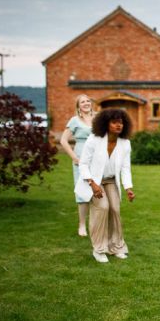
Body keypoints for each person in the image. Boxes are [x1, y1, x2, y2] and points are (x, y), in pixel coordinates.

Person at [74, 108, 135, 263]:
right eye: (114, 122)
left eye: (120, 122)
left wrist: (128, 188)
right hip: (93, 181)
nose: (118, 125)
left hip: (111, 181)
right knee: (102, 208)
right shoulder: (94, 139)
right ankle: (99, 250)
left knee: (115, 209)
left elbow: (125, 168)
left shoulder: (125, 143)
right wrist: (92, 183)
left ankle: (116, 247)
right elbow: (83, 164)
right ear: (105, 124)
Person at [60, 94, 95, 237]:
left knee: (97, 189)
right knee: (82, 191)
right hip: (81, 158)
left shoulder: (98, 118)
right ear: (78, 106)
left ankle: (95, 223)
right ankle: (81, 225)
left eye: (88, 100)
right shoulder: (74, 121)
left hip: (96, 158)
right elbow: (63, 140)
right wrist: (74, 157)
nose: (86, 103)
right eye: (82, 102)